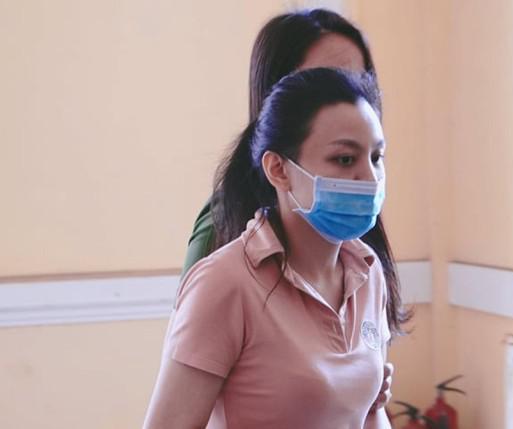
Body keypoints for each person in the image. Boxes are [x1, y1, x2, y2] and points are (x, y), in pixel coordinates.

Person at [177, 6, 411, 419]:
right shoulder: (223, 263)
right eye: (323, 79)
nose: (345, 94)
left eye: (358, 80)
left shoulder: (363, 262)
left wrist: (361, 388)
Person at [144, 67, 396, 428]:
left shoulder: (368, 273)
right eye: (344, 159)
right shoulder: (224, 283)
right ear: (278, 169)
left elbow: (370, 414)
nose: (370, 178)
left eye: (376, 157)